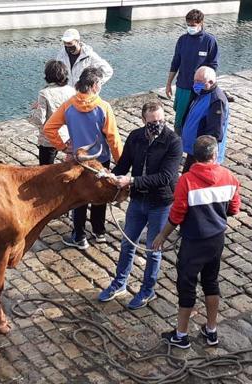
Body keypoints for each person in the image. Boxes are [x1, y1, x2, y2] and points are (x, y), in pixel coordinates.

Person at [152, 135, 240, 349]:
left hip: (194, 242)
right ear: (214, 154)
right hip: (216, 239)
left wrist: (162, 236)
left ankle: (181, 335)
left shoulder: (187, 181)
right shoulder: (229, 177)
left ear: (195, 157)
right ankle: (211, 330)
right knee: (211, 282)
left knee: (187, 286)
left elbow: (177, 214)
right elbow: (234, 209)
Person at [98, 100, 183, 309]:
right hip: (138, 200)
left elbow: (165, 177)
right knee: (127, 242)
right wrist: (108, 176)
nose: (157, 124)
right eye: (153, 121)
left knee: (153, 249)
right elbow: (124, 164)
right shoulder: (136, 137)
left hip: (160, 202)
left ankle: (148, 290)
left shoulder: (173, 142)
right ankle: (120, 283)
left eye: (161, 120)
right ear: (144, 120)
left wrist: (132, 181)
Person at [44, 67, 123, 250]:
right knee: (100, 195)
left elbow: (49, 128)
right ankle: (99, 231)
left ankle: (79, 235)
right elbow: (113, 138)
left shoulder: (69, 105)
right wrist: (120, 161)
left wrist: (63, 147)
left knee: (78, 199)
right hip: (100, 160)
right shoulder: (104, 107)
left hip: (78, 161)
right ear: (94, 86)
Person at [165, 9, 219, 135]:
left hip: (200, 88)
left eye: (193, 25)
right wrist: (169, 84)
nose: (190, 28)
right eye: (188, 25)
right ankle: (178, 144)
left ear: (201, 23)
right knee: (179, 119)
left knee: (196, 119)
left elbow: (213, 66)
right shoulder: (182, 40)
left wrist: (207, 86)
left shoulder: (209, 41)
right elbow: (175, 63)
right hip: (183, 86)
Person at [180, 66, 229, 173]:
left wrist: (204, 154)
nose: (195, 84)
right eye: (195, 81)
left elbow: (215, 133)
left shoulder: (216, 101)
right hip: (193, 149)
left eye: (199, 81)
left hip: (202, 153)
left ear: (211, 82)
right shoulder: (200, 92)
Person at [29, 60, 76, 165]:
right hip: (66, 135)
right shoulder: (72, 91)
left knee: (45, 169)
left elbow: (39, 119)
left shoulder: (44, 93)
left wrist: (33, 110)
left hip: (49, 139)